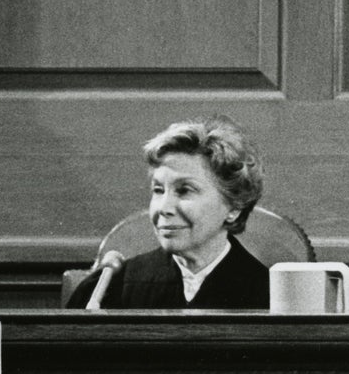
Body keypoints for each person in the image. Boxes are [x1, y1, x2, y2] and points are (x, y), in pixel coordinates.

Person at [67, 117, 270, 309]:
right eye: (158, 190)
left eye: (184, 190)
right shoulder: (112, 288)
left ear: (234, 207)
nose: (164, 208)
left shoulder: (269, 294)